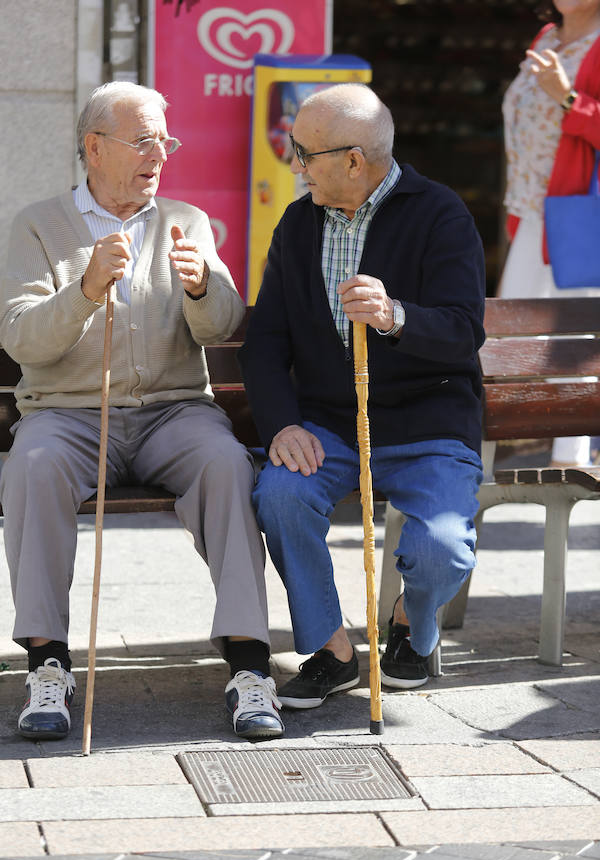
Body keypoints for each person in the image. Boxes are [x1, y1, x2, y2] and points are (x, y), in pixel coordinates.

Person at [0, 81, 283, 742]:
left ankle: (249, 666)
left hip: (172, 415)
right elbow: (21, 338)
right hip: (69, 417)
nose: (159, 155)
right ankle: (47, 665)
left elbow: (221, 326)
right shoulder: (38, 225)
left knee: (225, 463)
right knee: (31, 466)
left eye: (166, 140)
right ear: (94, 148)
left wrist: (203, 285)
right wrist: (86, 289)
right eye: (144, 141)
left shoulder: (186, 219)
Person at [239, 83, 485, 709]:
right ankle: (331, 649)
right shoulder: (298, 223)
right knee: (282, 493)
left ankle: (411, 624)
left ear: (353, 160)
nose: (296, 165)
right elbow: (267, 342)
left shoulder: (439, 213)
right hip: (329, 423)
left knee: (441, 549)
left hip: (429, 423)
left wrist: (395, 316)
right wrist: (281, 426)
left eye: (304, 152)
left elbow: (463, 332)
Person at [500, 0, 600, 467]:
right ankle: (476, 459)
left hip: (578, 213)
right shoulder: (546, 36)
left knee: (572, 342)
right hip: (531, 208)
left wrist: (567, 96)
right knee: (504, 341)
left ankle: (571, 461)